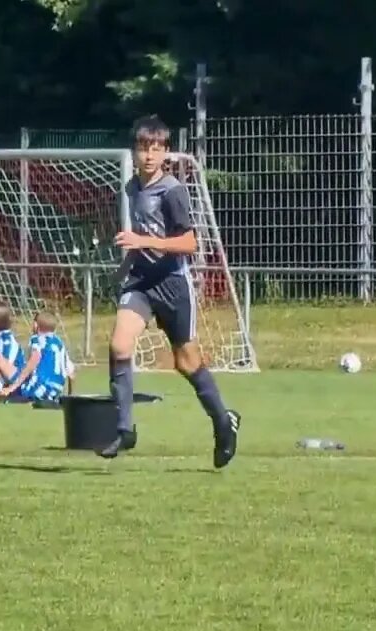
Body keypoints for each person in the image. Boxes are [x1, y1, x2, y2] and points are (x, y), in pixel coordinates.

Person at [102, 115, 241, 466]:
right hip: (142, 283)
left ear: (165, 152)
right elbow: (139, 238)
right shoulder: (132, 187)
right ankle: (124, 429)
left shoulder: (173, 191)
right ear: (134, 151)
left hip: (173, 284)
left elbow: (190, 242)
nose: (149, 155)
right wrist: (122, 270)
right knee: (119, 345)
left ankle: (223, 422)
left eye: (156, 148)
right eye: (143, 148)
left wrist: (142, 240)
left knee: (186, 361)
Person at [0, 312, 72, 403]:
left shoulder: (37, 339)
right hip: (56, 390)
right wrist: (70, 397)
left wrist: (12, 387)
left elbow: (34, 360)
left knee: (5, 394)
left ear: (36, 325)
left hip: (39, 386)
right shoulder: (59, 343)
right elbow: (71, 373)